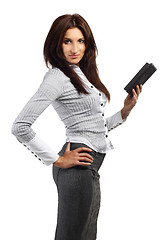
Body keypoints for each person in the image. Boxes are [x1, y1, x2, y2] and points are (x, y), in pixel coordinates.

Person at [11, 14, 142, 240]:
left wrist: (124, 112)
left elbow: (92, 127)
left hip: (89, 168)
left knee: (87, 235)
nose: (74, 48)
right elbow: (20, 126)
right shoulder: (57, 77)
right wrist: (57, 159)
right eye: (67, 41)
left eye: (80, 41)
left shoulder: (81, 73)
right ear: (56, 44)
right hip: (77, 168)